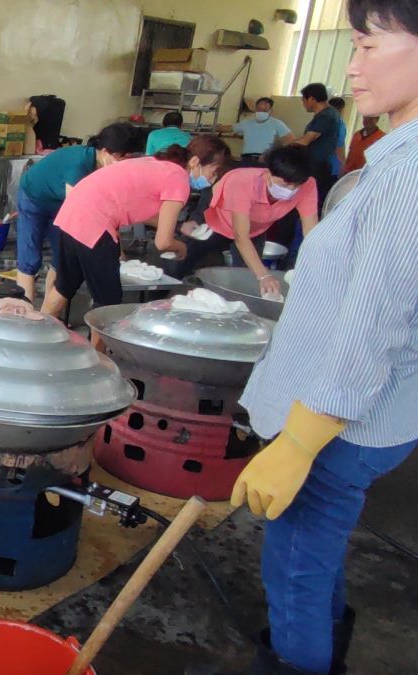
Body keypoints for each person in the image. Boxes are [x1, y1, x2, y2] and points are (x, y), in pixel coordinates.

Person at [228, 2, 418, 673]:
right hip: (364, 413)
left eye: (369, 45)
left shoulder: (408, 175)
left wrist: (300, 441)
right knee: (316, 557)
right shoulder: (393, 160)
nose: (353, 67)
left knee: (295, 575)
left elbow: (373, 326)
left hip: (339, 424)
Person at [41, 136, 231, 317]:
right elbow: (163, 243)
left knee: (65, 286)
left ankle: (38, 328)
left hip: (71, 213)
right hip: (95, 224)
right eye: (213, 172)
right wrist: (180, 247)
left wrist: (180, 226)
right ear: (195, 162)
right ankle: (98, 341)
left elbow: (141, 210)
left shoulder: (157, 164)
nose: (211, 179)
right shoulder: (179, 179)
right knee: (108, 304)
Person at [12, 123, 140, 302]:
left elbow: (109, 209)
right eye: (121, 157)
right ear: (105, 151)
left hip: (59, 202)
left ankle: (48, 312)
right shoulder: (78, 165)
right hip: (34, 197)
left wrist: (117, 247)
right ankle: (24, 311)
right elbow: (79, 211)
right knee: (30, 258)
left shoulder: (106, 168)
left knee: (61, 259)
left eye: (128, 158)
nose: (124, 163)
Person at [176, 146, 319, 289]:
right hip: (217, 219)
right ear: (268, 173)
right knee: (180, 259)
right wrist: (264, 276)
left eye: (296, 185)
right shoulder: (243, 182)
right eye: (285, 184)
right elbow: (241, 237)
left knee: (247, 279)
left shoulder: (308, 184)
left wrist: (317, 266)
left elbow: (311, 234)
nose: (291, 190)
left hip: (254, 229)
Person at [294, 82, 342, 202]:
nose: (303, 104)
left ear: (312, 99)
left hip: (317, 168)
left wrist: (282, 150)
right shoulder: (330, 114)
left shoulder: (325, 116)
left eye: (303, 101)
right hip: (319, 165)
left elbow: (306, 140)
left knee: (309, 202)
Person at [225, 97, 295, 160]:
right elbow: (229, 128)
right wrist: (218, 127)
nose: (261, 112)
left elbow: (291, 139)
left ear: (271, 110)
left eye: (264, 110)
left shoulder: (276, 123)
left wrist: (274, 151)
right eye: (259, 109)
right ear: (255, 109)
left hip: (265, 158)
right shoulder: (247, 122)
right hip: (246, 157)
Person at [329, 96, 349, 176]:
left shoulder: (323, 122)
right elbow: (339, 149)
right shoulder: (339, 125)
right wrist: (343, 165)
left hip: (320, 164)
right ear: (341, 110)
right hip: (333, 167)